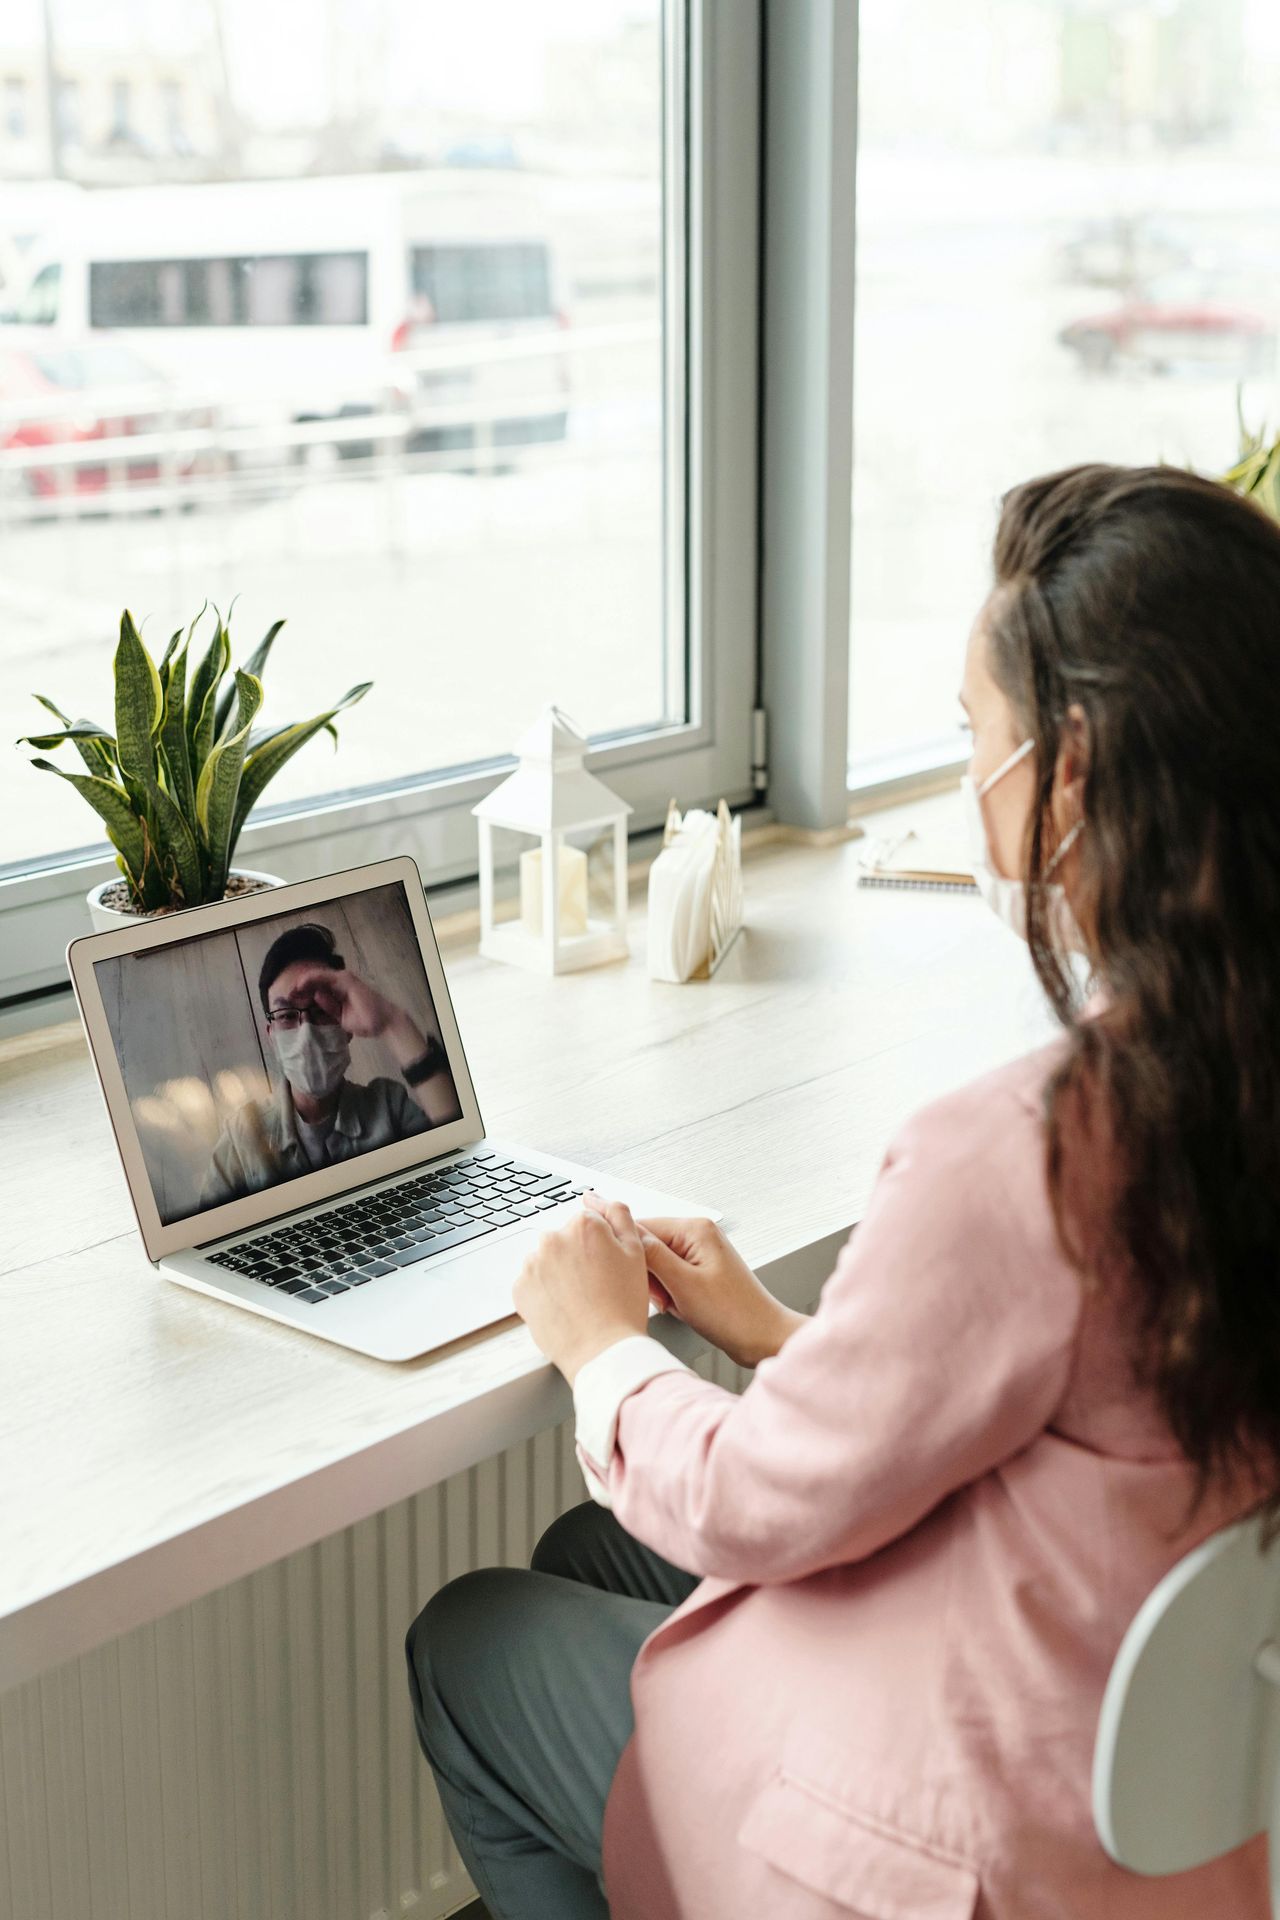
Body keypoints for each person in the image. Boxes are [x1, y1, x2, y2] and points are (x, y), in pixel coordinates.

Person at [405, 464, 1280, 1919]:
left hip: (979, 1845)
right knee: (587, 1548)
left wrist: (599, 1346)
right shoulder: (1226, 1091)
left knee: (472, 1638)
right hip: (1162, 1805)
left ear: (1066, 775)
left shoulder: (1032, 1154)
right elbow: (1076, 1416)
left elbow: (746, 1503)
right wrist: (770, 1332)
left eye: (973, 735)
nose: (967, 778)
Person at [201, 921, 457, 1208]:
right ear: (271, 1036)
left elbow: (457, 1161)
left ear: (346, 1026)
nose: (307, 1033)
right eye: (287, 1015)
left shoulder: (388, 1106)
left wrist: (392, 1022)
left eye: (321, 1011)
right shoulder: (242, 1137)